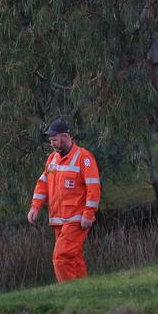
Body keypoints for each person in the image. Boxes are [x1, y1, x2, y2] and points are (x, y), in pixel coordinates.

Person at [27, 119, 102, 282]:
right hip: (58, 220)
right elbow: (43, 184)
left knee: (61, 258)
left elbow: (93, 188)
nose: (52, 143)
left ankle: (68, 293)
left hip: (76, 219)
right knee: (73, 258)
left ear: (66, 137)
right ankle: (84, 292)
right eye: (51, 140)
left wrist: (88, 215)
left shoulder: (84, 158)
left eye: (54, 139)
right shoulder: (52, 159)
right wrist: (35, 208)